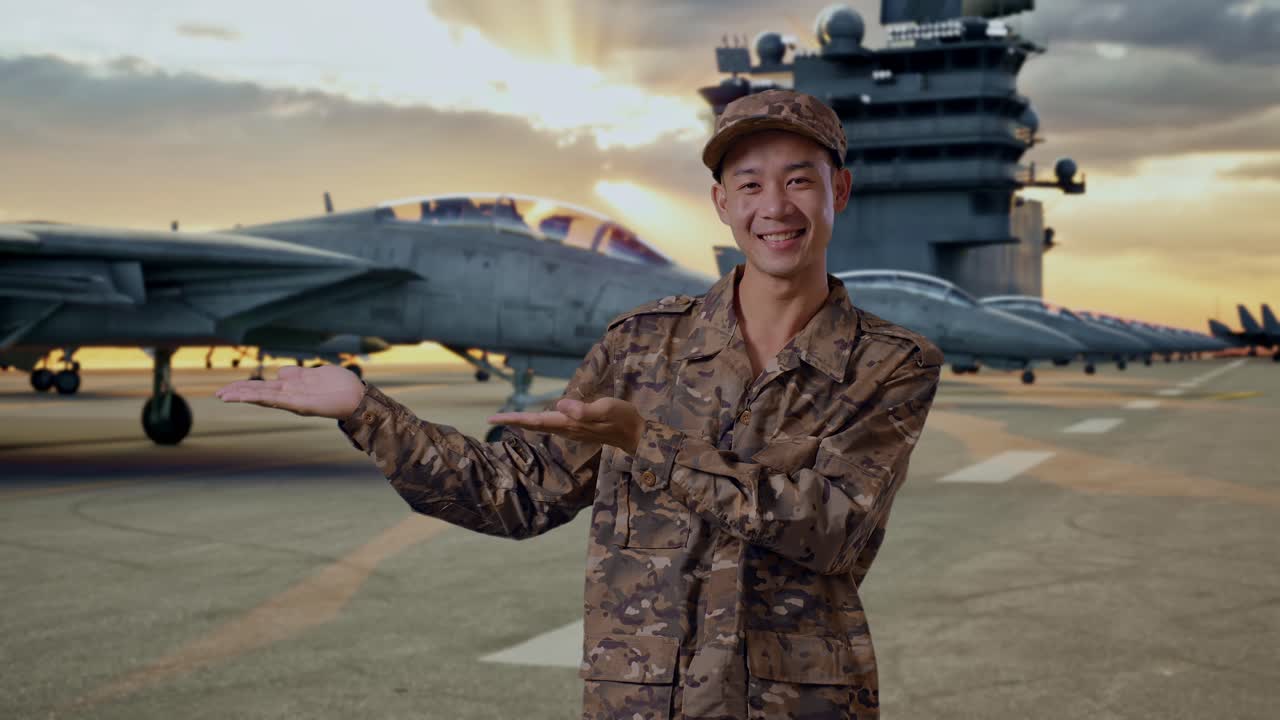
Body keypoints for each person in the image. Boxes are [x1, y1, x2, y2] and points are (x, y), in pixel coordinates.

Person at [215, 88, 942, 720]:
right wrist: (367, 411)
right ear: (722, 204)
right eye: (749, 185)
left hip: (803, 706)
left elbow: (828, 530)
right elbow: (515, 496)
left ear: (838, 191)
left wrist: (647, 443)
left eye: (799, 181)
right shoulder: (638, 347)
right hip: (637, 700)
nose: (775, 207)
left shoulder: (891, 366)